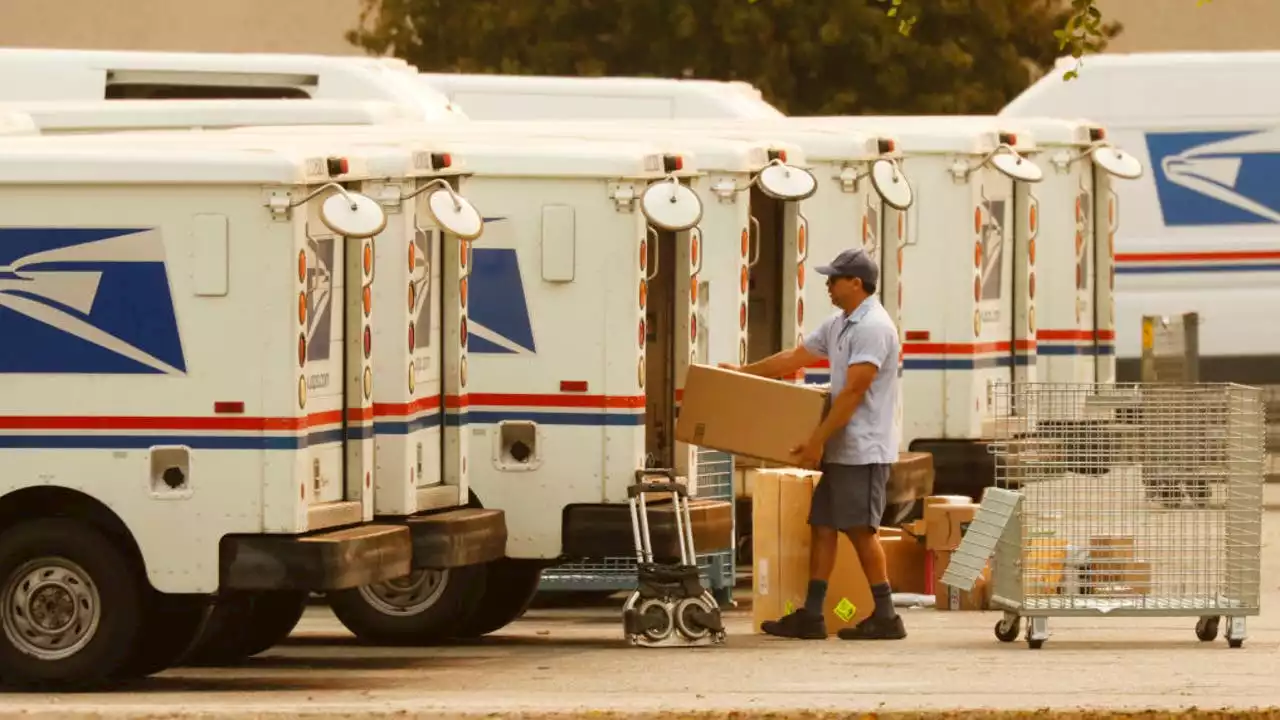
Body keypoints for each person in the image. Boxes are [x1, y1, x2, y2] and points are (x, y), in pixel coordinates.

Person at [722, 247, 904, 641]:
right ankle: (812, 614)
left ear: (856, 283)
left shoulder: (874, 327)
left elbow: (854, 392)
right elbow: (796, 356)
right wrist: (744, 373)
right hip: (841, 445)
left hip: (863, 447)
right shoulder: (841, 323)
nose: (827, 285)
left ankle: (887, 616)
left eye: (834, 279)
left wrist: (815, 443)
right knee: (823, 526)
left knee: (860, 529)